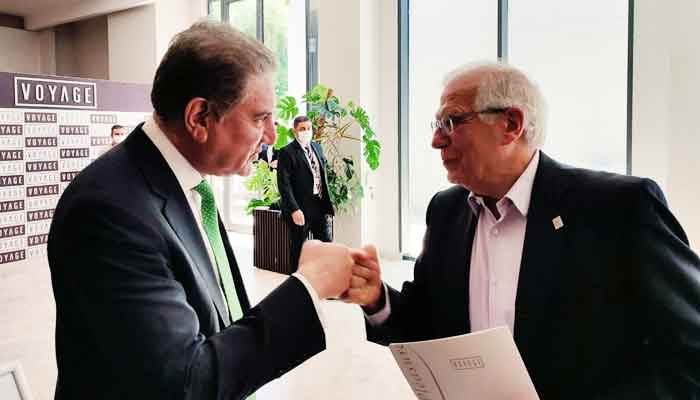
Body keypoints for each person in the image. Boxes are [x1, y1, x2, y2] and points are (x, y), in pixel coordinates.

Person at [346, 61, 700, 399]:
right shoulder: (446, 211)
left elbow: (688, 351)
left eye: (452, 122)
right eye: (436, 126)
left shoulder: (619, 209)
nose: (437, 141)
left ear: (511, 124)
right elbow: (429, 330)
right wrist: (378, 298)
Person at [48, 21, 355, 400]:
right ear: (199, 118)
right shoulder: (109, 211)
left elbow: (215, 324)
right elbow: (185, 383)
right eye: (260, 118)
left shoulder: (187, 185)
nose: (273, 136)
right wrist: (309, 286)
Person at [277, 115, 334, 270]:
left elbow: (321, 175)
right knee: (298, 250)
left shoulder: (317, 147)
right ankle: (296, 286)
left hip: (319, 205)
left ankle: (326, 281)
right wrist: (295, 209)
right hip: (300, 209)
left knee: (326, 246)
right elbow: (284, 184)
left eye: (309, 128)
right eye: (302, 129)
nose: (306, 131)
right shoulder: (286, 152)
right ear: (295, 131)